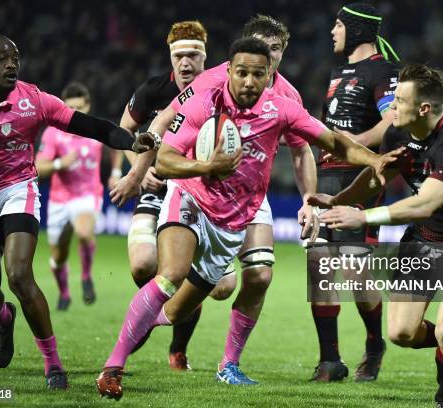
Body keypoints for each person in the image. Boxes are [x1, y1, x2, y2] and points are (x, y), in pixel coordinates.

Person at [96, 37, 401, 400]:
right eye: (241, 73)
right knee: (169, 275)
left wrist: (373, 159)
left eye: (258, 74)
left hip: (233, 219)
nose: (248, 82)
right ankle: (112, 369)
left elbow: (333, 141)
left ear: (269, 73)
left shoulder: (282, 108)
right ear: (229, 70)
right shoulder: (203, 101)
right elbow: (165, 160)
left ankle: (174, 336)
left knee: (175, 313)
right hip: (191, 199)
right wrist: (207, 166)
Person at [111, 15, 318, 376]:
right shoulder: (212, 80)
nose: (262, 57)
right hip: (200, 187)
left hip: (252, 195)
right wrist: (138, 171)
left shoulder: (288, 97)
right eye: (257, 47)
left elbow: (303, 152)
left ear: (281, 54)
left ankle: (229, 364)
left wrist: (309, 199)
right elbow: (160, 123)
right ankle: (136, 338)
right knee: (164, 274)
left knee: (258, 277)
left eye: (273, 50)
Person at [0, 35, 154, 390]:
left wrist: (130, 140)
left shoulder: (33, 99)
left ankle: (53, 364)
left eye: (16, 57)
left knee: (19, 274)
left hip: (18, 190)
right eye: (2, 59)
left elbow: (90, 125)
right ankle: (3, 315)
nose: (12, 64)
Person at [309, 63, 443, 408]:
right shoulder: (397, 133)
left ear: (424, 108)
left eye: (398, 100)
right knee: (400, 334)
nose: (390, 107)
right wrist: (338, 200)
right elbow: (375, 176)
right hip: (423, 241)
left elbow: (424, 204)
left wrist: (362, 214)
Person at [309, 2, 400, 382]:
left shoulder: (383, 71)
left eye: (338, 24)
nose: (332, 31)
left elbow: (393, 122)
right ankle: (330, 360)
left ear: (358, 31)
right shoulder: (339, 71)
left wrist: (352, 144)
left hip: (362, 177)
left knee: (352, 267)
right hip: (326, 175)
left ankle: (375, 343)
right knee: (319, 263)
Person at [36, 82, 115, 310]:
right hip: (59, 200)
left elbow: (117, 145)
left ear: (88, 106)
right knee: (58, 257)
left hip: (88, 195)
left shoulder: (97, 129)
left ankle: (86, 277)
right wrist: (61, 163)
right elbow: (39, 167)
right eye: (70, 107)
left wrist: (117, 172)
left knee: (83, 231)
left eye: (79, 107)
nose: (75, 112)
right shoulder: (53, 133)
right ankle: (64, 293)